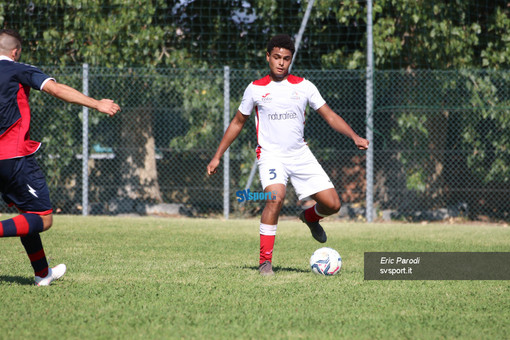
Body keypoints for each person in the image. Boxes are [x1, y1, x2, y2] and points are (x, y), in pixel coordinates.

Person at [207, 34, 369, 276]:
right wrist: (217, 155)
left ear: (290, 60)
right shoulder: (255, 89)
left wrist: (354, 136)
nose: (281, 63)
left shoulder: (304, 86)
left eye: (286, 58)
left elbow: (330, 115)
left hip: (300, 154)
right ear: (268, 57)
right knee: (275, 197)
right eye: (276, 57)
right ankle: (265, 262)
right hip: (271, 155)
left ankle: (310, 217)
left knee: (333, 204)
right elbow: (237, 122)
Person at [0, 29, 120, 285]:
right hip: (13, 158)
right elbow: (55, 89)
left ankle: (42, 274)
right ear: (15, 51)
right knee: (42, 218)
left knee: (27, 214)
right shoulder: (19, 69)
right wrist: (96, 103)